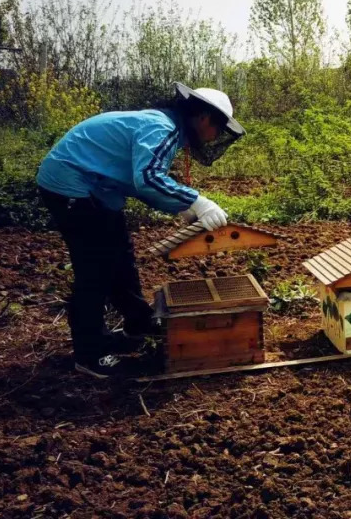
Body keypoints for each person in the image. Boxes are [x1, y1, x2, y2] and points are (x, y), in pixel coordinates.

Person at [36, 83, 244, 378]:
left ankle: (139, 324)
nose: (214, 137)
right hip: (71, 184)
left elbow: (138, 182)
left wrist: (182, 207)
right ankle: (90, 354)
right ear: (204, 118)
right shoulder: (161, 128)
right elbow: (147, 177)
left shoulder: (165, 126)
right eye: (218, 129)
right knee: (94, 269)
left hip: (97, 187)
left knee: (120, 254)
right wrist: (198, 201)